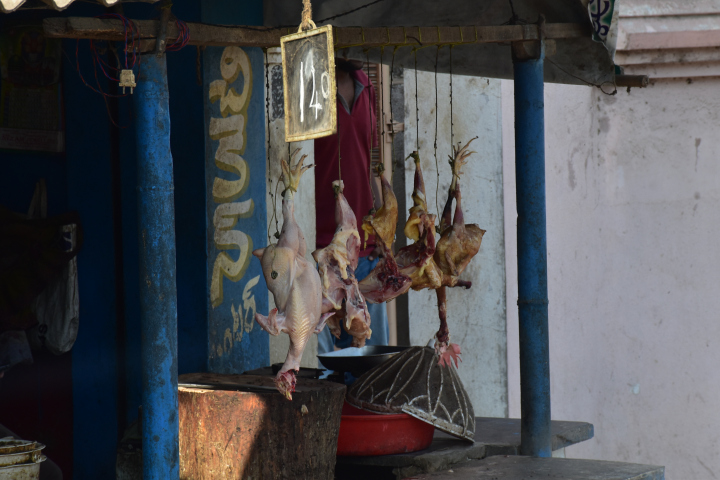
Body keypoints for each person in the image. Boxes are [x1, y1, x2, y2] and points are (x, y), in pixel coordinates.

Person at [315, 57, 388, 360]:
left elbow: (366, 161)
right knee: (323, 362)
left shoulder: (366, 84)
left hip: (364, 247)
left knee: (369, 354)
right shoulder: (312, 88)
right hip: (323, 247)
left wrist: (383, 228)